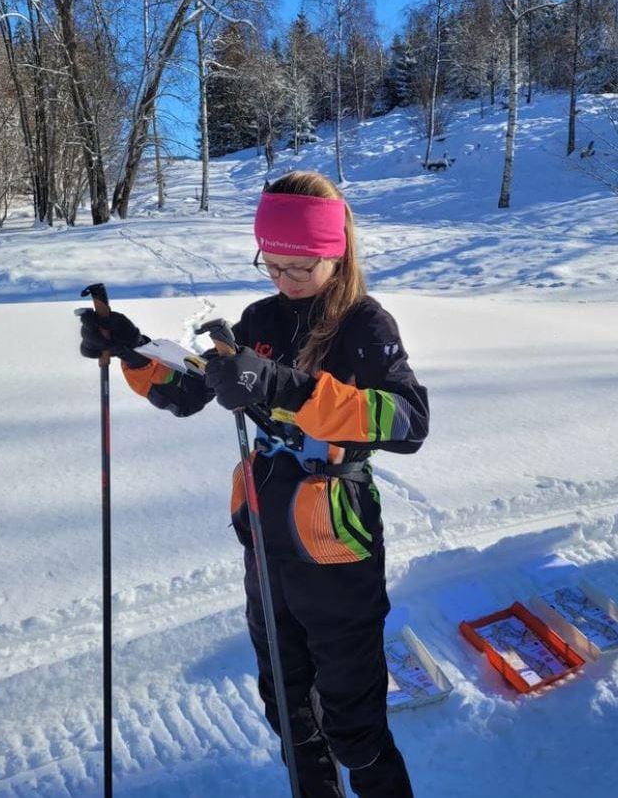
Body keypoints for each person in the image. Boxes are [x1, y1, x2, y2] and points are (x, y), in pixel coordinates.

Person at [80, 171, 429, 797]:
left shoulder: (364, 324)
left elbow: (406, 422)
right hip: (265, 531)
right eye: (272, 265)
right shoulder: (260, 317)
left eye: (300, 268)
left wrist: (286, 388)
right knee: (289, 705)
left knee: (353, 715)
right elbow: (193, 393)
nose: (284, 280)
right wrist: (134, 354)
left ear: (336, 253)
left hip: (336, 538)